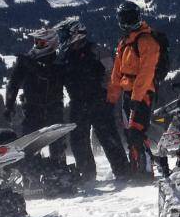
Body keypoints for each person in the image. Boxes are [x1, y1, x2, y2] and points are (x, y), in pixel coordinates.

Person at [53, 19, 130, 183]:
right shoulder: (64, 55)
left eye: (64, 34)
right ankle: (86, 174)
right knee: (78, 139)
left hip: (99, 100)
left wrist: (110, 97)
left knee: (107, 136)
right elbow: (56, 78)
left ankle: (123, 170)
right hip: (77, 102)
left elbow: (113, 73)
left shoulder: (96, 51)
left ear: (75, 34)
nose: (62, 38)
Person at [4, 29, 72, 183]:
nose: (36, 45)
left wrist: (32, 65)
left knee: (57, 142)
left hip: (53, 107)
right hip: (32, 108)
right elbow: (13, 83)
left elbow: (50, 75)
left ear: (51, 43)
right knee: (28, 144)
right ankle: (29, 177)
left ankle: (60, 173)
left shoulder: (58, 60)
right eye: (35, 42)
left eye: (41, 42)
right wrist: (9, 105)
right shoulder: (27, 60)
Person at [107, 1, 161, 179]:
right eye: (125, 18)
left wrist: (137, 98)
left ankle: (145, 170)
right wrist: (111, 98)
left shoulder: (146, 40)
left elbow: (146, 72)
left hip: (143, 93)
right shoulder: (125, 42)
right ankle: (136, 166)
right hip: (128, 93)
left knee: (136, 131)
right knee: (129, 133)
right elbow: (117, 72)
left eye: (131, 17)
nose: (127, 21)